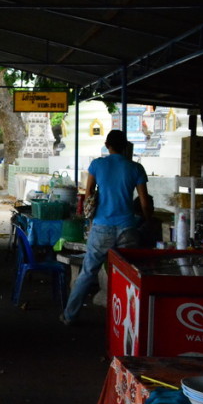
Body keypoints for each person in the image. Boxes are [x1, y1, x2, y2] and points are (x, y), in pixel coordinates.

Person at [61, 130, 151, 325]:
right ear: (126, 146)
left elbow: (88, 193)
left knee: (87, 272)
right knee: (131, 275)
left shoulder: (97, 165)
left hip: (101, 227)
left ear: (106, 144)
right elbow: (144, 202)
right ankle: (131, 321)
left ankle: (69, 315)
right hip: (128, 228)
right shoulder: (136, 168)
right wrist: (148, 219)